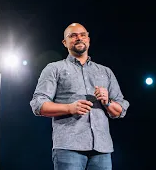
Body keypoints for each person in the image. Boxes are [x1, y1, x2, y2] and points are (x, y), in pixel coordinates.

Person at [30, 23, 130, 170]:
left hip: (102, 150)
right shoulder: (54, 68)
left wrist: (107, 101)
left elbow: (120, 111)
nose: (79, 38)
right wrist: (70, 108)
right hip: (68, 148)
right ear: (65, 42)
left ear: (88, 39)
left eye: (83, 35)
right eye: (73, 35)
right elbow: (38, 105)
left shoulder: (105, 72)